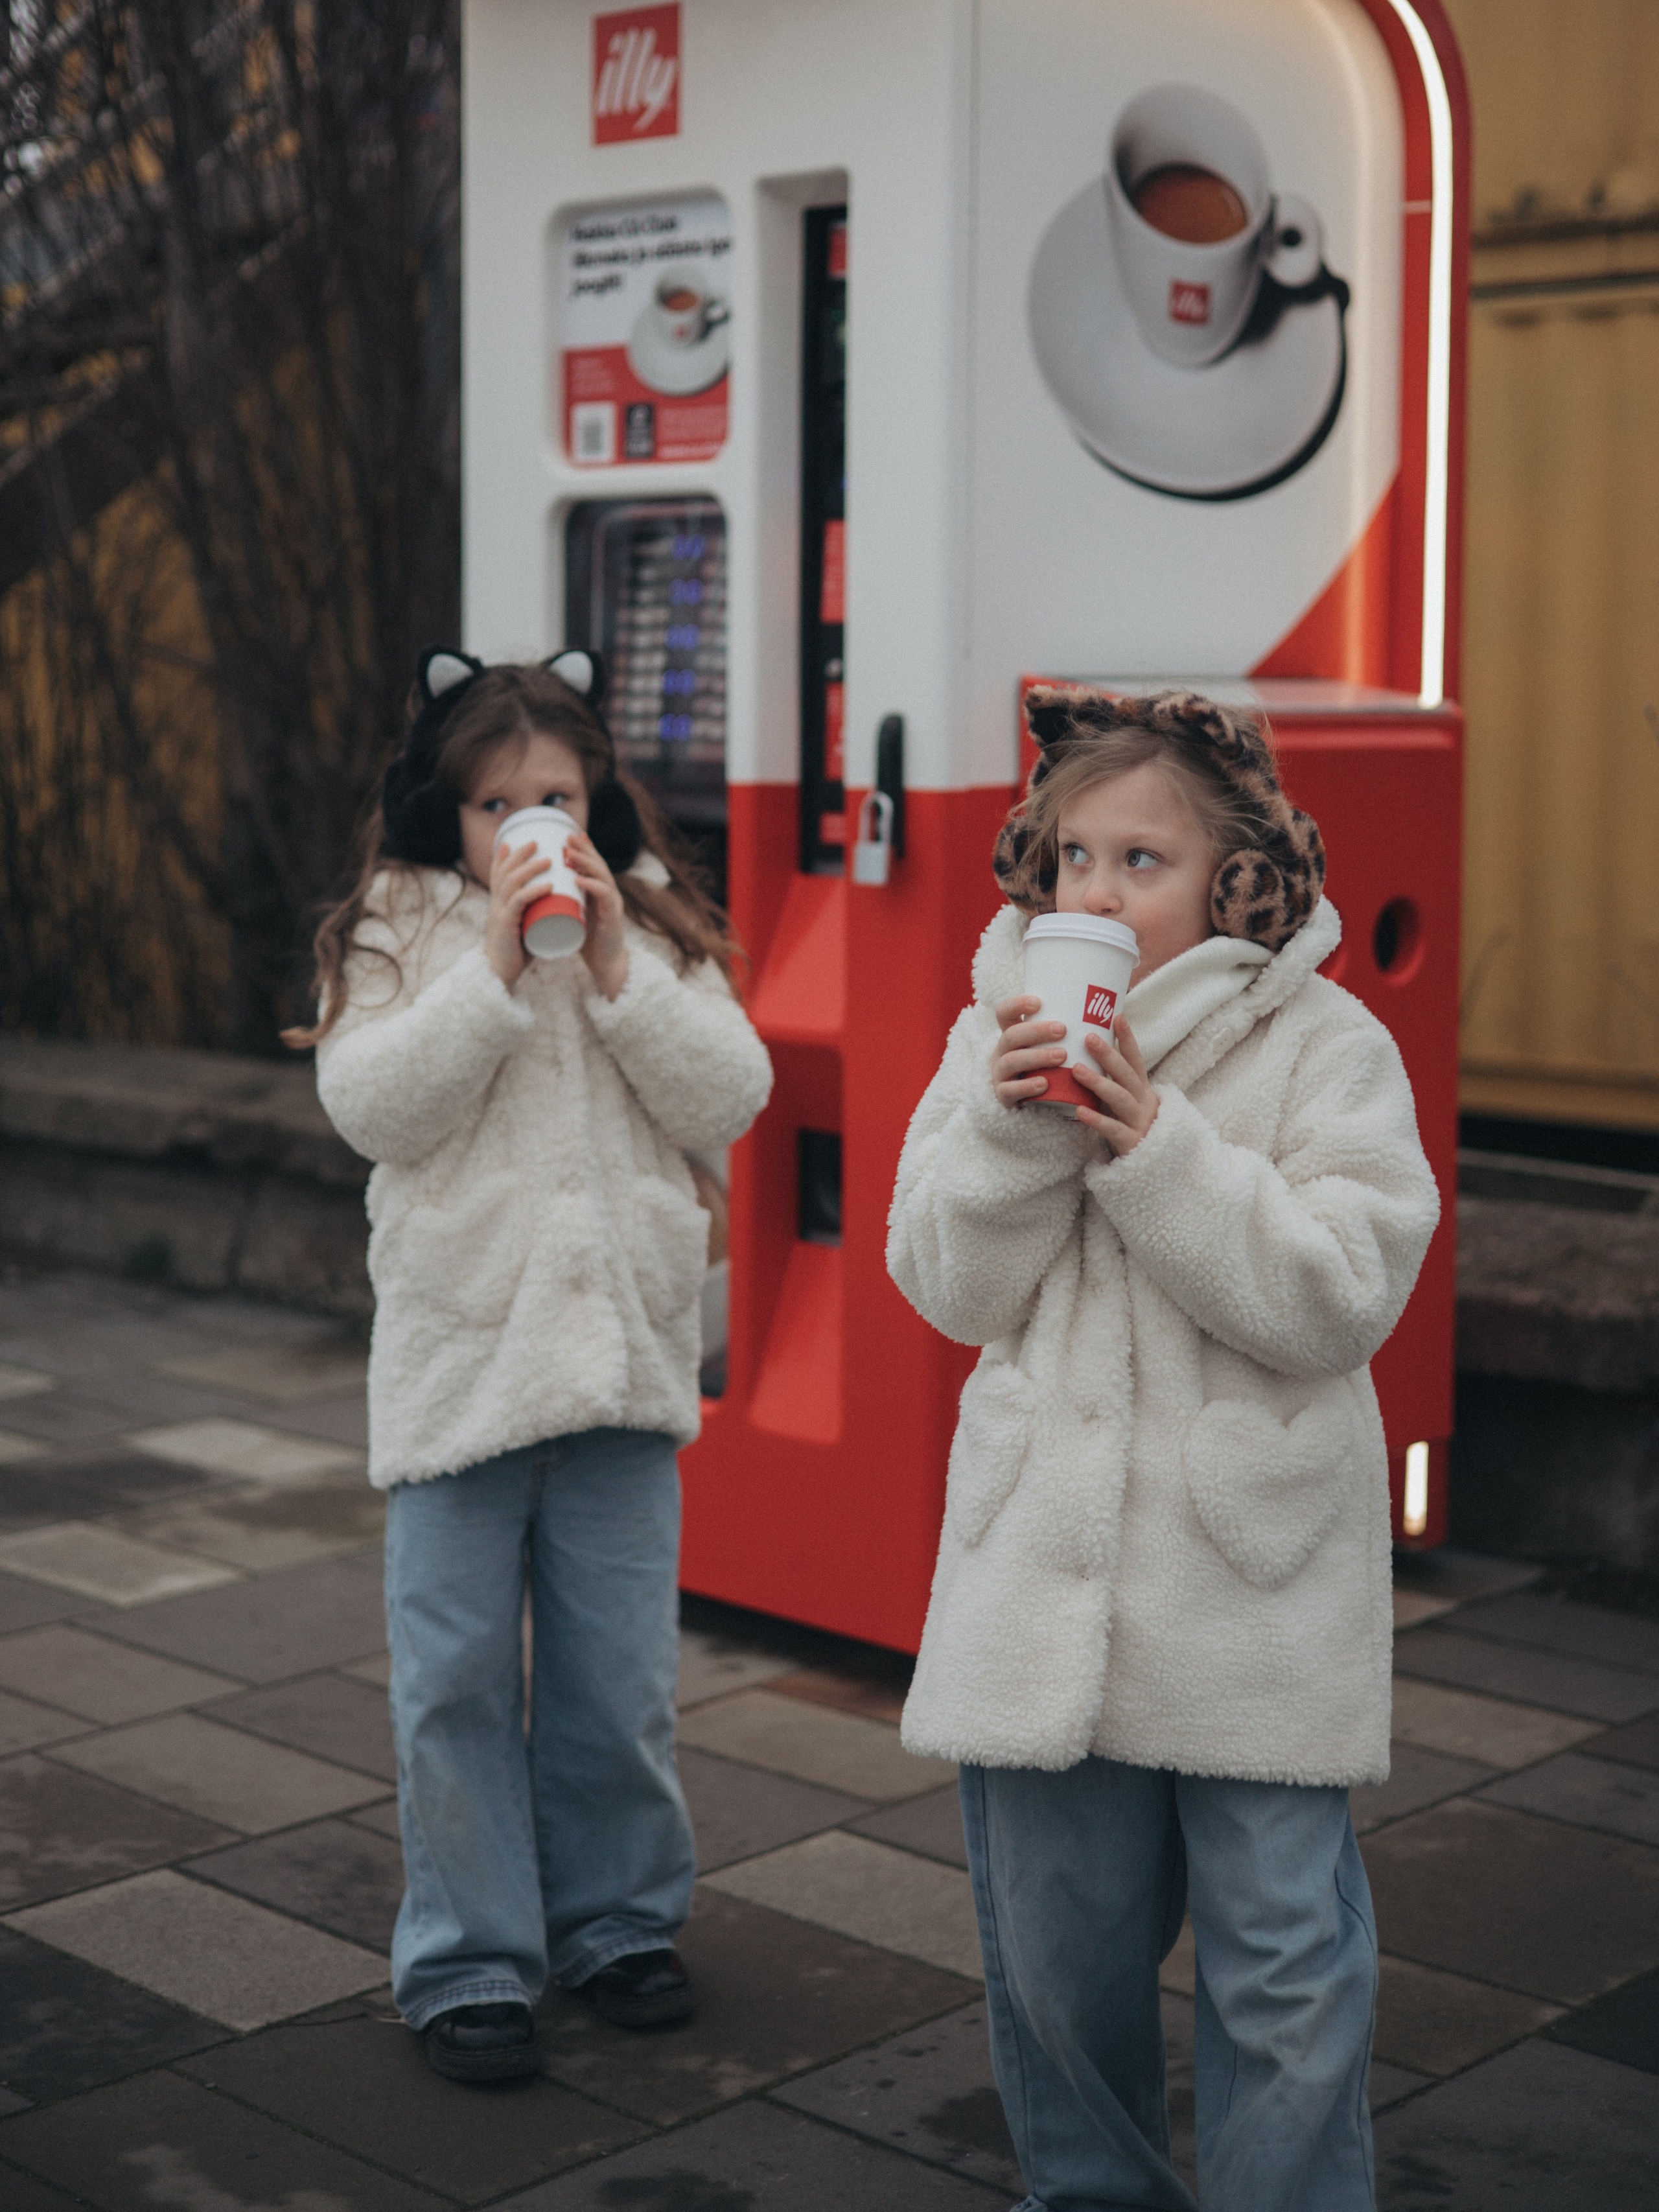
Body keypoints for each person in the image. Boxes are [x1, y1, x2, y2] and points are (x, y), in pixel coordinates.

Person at [886, 688, 1439, 2211]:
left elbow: (1338, 1296)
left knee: (1284, 1966)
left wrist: (1154, 1148)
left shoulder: (1326, 1045)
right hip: (1037, 1589)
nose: (1095, 893)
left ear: (1234, 878)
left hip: (1250, 1587)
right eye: (1073, 858)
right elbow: (942, 1285)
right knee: (1057, 1971)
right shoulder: (992, 1028)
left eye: (1141, 860)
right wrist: (1015, 1135)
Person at [290, 649, 772, 2082]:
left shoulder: (655, 933)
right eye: (496, 803)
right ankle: (466, 1955)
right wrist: (495, 970)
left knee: (615, 1677)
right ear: (447, 817)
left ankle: (617, 1918)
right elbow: (373, 1108)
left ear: (598, 796)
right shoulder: (400, 933)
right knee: (449, 1683)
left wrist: (618, 966)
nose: (527, 826)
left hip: (621, 1367)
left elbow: (731, 1092)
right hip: (462, 1372)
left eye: (554, 795)